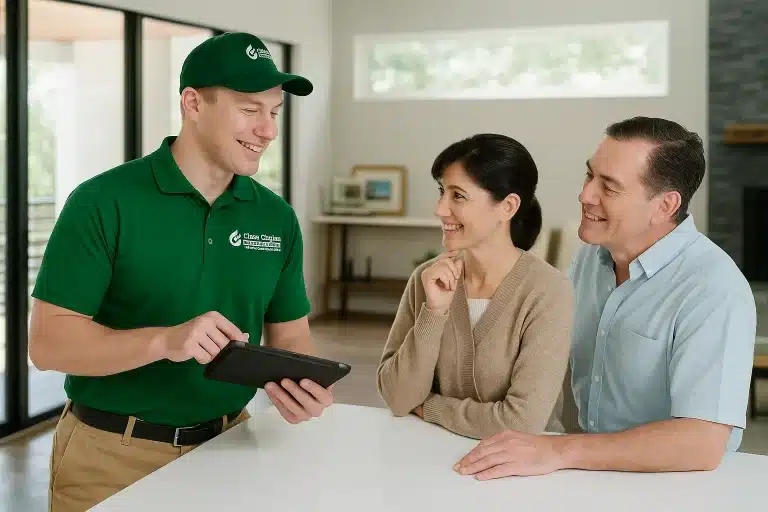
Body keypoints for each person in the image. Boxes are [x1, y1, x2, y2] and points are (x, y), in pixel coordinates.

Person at [29, 32, 333, 511]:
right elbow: (49, 345)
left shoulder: (275, 218)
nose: (268, 130)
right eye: (249, 109)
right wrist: (165, 341)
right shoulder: (102, 202)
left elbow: (291, 335)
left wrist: (300, 386)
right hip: (111, 456)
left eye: (274, 112)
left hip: (230, 448)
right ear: (193, 103)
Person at [454, 116, 757, 480]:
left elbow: (702, 442)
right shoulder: (589, 258)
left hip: (676, 485)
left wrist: (559, 449)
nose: (585, 195)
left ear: (664, 206)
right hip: (584, 471)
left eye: (609, 187)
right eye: (589, 176)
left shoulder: (714, 288)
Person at [376, 133, 574, 440]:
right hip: (429, 457)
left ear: (507, 207)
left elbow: (522, 423)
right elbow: (399, 399)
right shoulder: (427, 279)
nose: (440, 209)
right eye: (442, 192)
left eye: (458, 196)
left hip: (523, 472)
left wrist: (430, 407)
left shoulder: (548, 291)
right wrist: (435, 312)